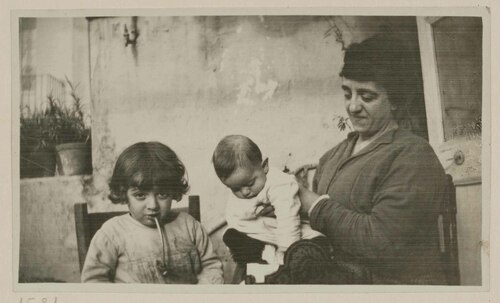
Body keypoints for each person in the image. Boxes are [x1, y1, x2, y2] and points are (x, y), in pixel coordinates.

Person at [298, 35, 449, 284]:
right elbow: (318, 232)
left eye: (366, 97)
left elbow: (384, 243)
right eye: (348, 94)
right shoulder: (332, 157)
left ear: (396, 100)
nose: (353, 107)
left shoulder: (412, 156)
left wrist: (314, 205)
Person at [81, 142, 224, 284]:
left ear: (174, 191)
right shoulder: (112, 234)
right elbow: (94, 281)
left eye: (162, 194)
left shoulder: (190, 226)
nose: (153, 205)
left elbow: (211, 267)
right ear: (124, 193)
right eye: (140, 195)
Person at [212, 134, 322, 265]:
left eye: (250, 184)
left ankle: (292, 258)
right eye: (236, 189)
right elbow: (235, 218)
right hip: (262, 235)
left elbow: (288, 216)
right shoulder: (243, 187)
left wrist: (287, 250)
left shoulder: (278, 183)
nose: (245, 192)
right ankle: (263, 255)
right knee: (231, 235)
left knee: (309, 247)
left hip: (293, 232)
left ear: (264, 166)